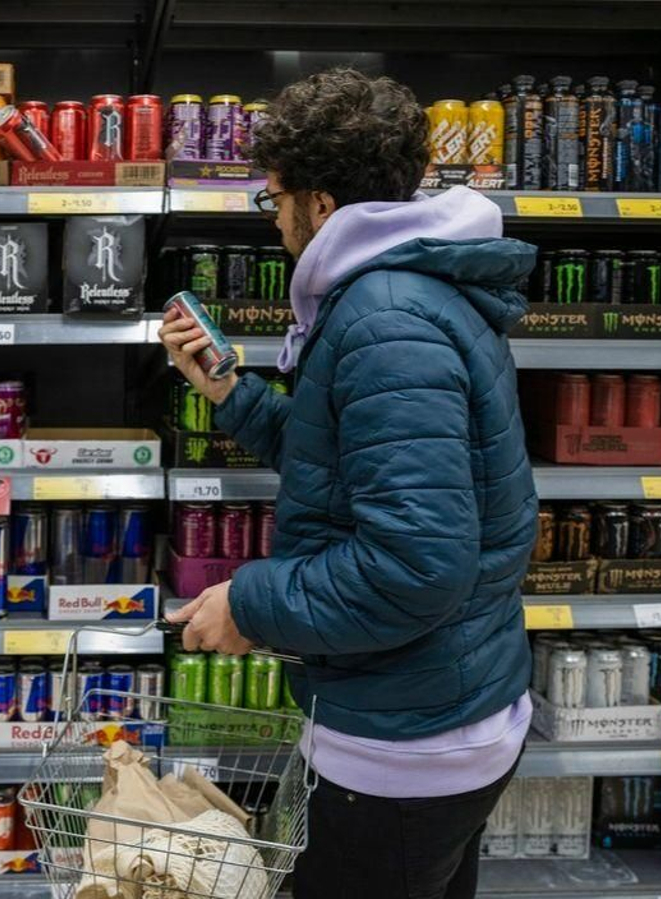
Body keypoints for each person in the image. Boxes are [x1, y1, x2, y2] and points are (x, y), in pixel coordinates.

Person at [161, 68, 539, 899]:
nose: (278, 224)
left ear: (321, 205)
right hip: (437, 710)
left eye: (276, 201)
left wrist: (249, 603)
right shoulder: (403, 293)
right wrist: (234, 394)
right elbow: (357, 462)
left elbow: (415, 565)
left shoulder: (384, 318)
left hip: (408, 746)